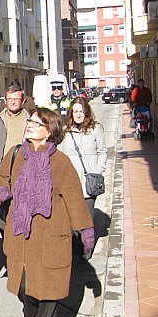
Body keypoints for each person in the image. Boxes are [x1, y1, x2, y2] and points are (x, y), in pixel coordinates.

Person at [0, 108, 94, 317]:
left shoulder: (60, 162)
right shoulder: (16, 153)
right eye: (30, 121)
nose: (29, 125)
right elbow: (1, 176)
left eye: (36, 123)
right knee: (24, 285)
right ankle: (30, 313)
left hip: (51, 234)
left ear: (49, 132)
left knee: (49, 289)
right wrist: (3, 191)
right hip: (20, 233)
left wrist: (85, 229)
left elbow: (73, 197)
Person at [58, 98, 107, 259]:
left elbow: (102, 151)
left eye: (81, 111)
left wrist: (98, 170)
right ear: (71, 112)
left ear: (86, 112)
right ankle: (75, 246)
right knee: (69, 216)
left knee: (86, 216)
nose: (78, 114)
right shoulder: (65, 130)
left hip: (88, 180)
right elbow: (58, 153)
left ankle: (87, 247)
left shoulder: (95, 129)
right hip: (69, 181)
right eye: (75, 111)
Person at [0, 85, 30, 231]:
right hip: (0, 175)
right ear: (5, 100)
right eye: (10, 99)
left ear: (23, 101)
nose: (13, 102)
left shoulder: (30, 120)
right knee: (0, 214)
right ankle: (7, 243)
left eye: (16, 99)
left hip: (24, 175)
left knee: (23, 213)